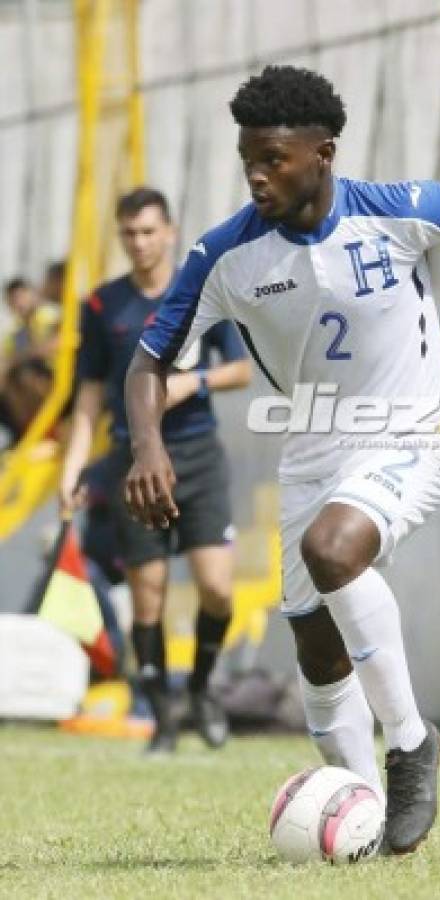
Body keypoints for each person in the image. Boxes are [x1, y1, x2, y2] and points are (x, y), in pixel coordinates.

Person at [123, 66, 440, 853]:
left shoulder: (391, 212)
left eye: (275, 159)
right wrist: (146, 444)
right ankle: (361, 823)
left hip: (414, 430)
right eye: (247, 158)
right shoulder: (223, 255)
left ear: (322, 153)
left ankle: (410, 742)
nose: (257, 174)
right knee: (316, 652)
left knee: (333, 548)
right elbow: (149, 360)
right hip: (313, 448)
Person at [59, 186, 252, 754]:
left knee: (217, 589)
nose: (139, 243)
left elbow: (241, 370)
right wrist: (73, 467)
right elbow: (89, 396)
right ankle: (163, 721)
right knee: (149, 596)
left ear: (169, 232)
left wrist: (197, 381)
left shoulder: (201, 292)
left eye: (148, 231)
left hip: (196, 455)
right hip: (132, 461)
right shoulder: (102, 306)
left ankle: (200, 689)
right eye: (129, 233)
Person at [0, 277, 60, 444]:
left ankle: (43, 432)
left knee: (24, 376)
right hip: (31, 381)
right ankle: (27, 433)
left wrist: (20, 356)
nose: (19, 303)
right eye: (13, 300)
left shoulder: (50, 316)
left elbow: (56, 344)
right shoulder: (15, 333)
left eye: (21, 296)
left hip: (56, 378)